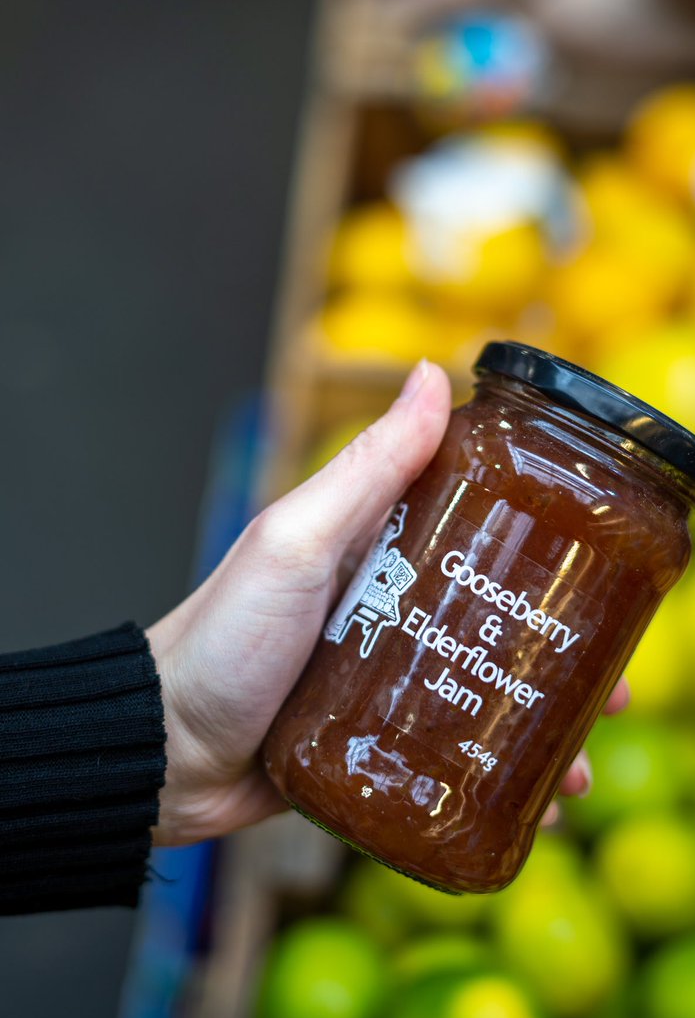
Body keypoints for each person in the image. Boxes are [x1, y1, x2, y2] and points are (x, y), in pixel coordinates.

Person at [0, 361, 627, 914]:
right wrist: (178, 729)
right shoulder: (494, 442)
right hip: (305, 753)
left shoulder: (606, 505)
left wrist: (170, 739)